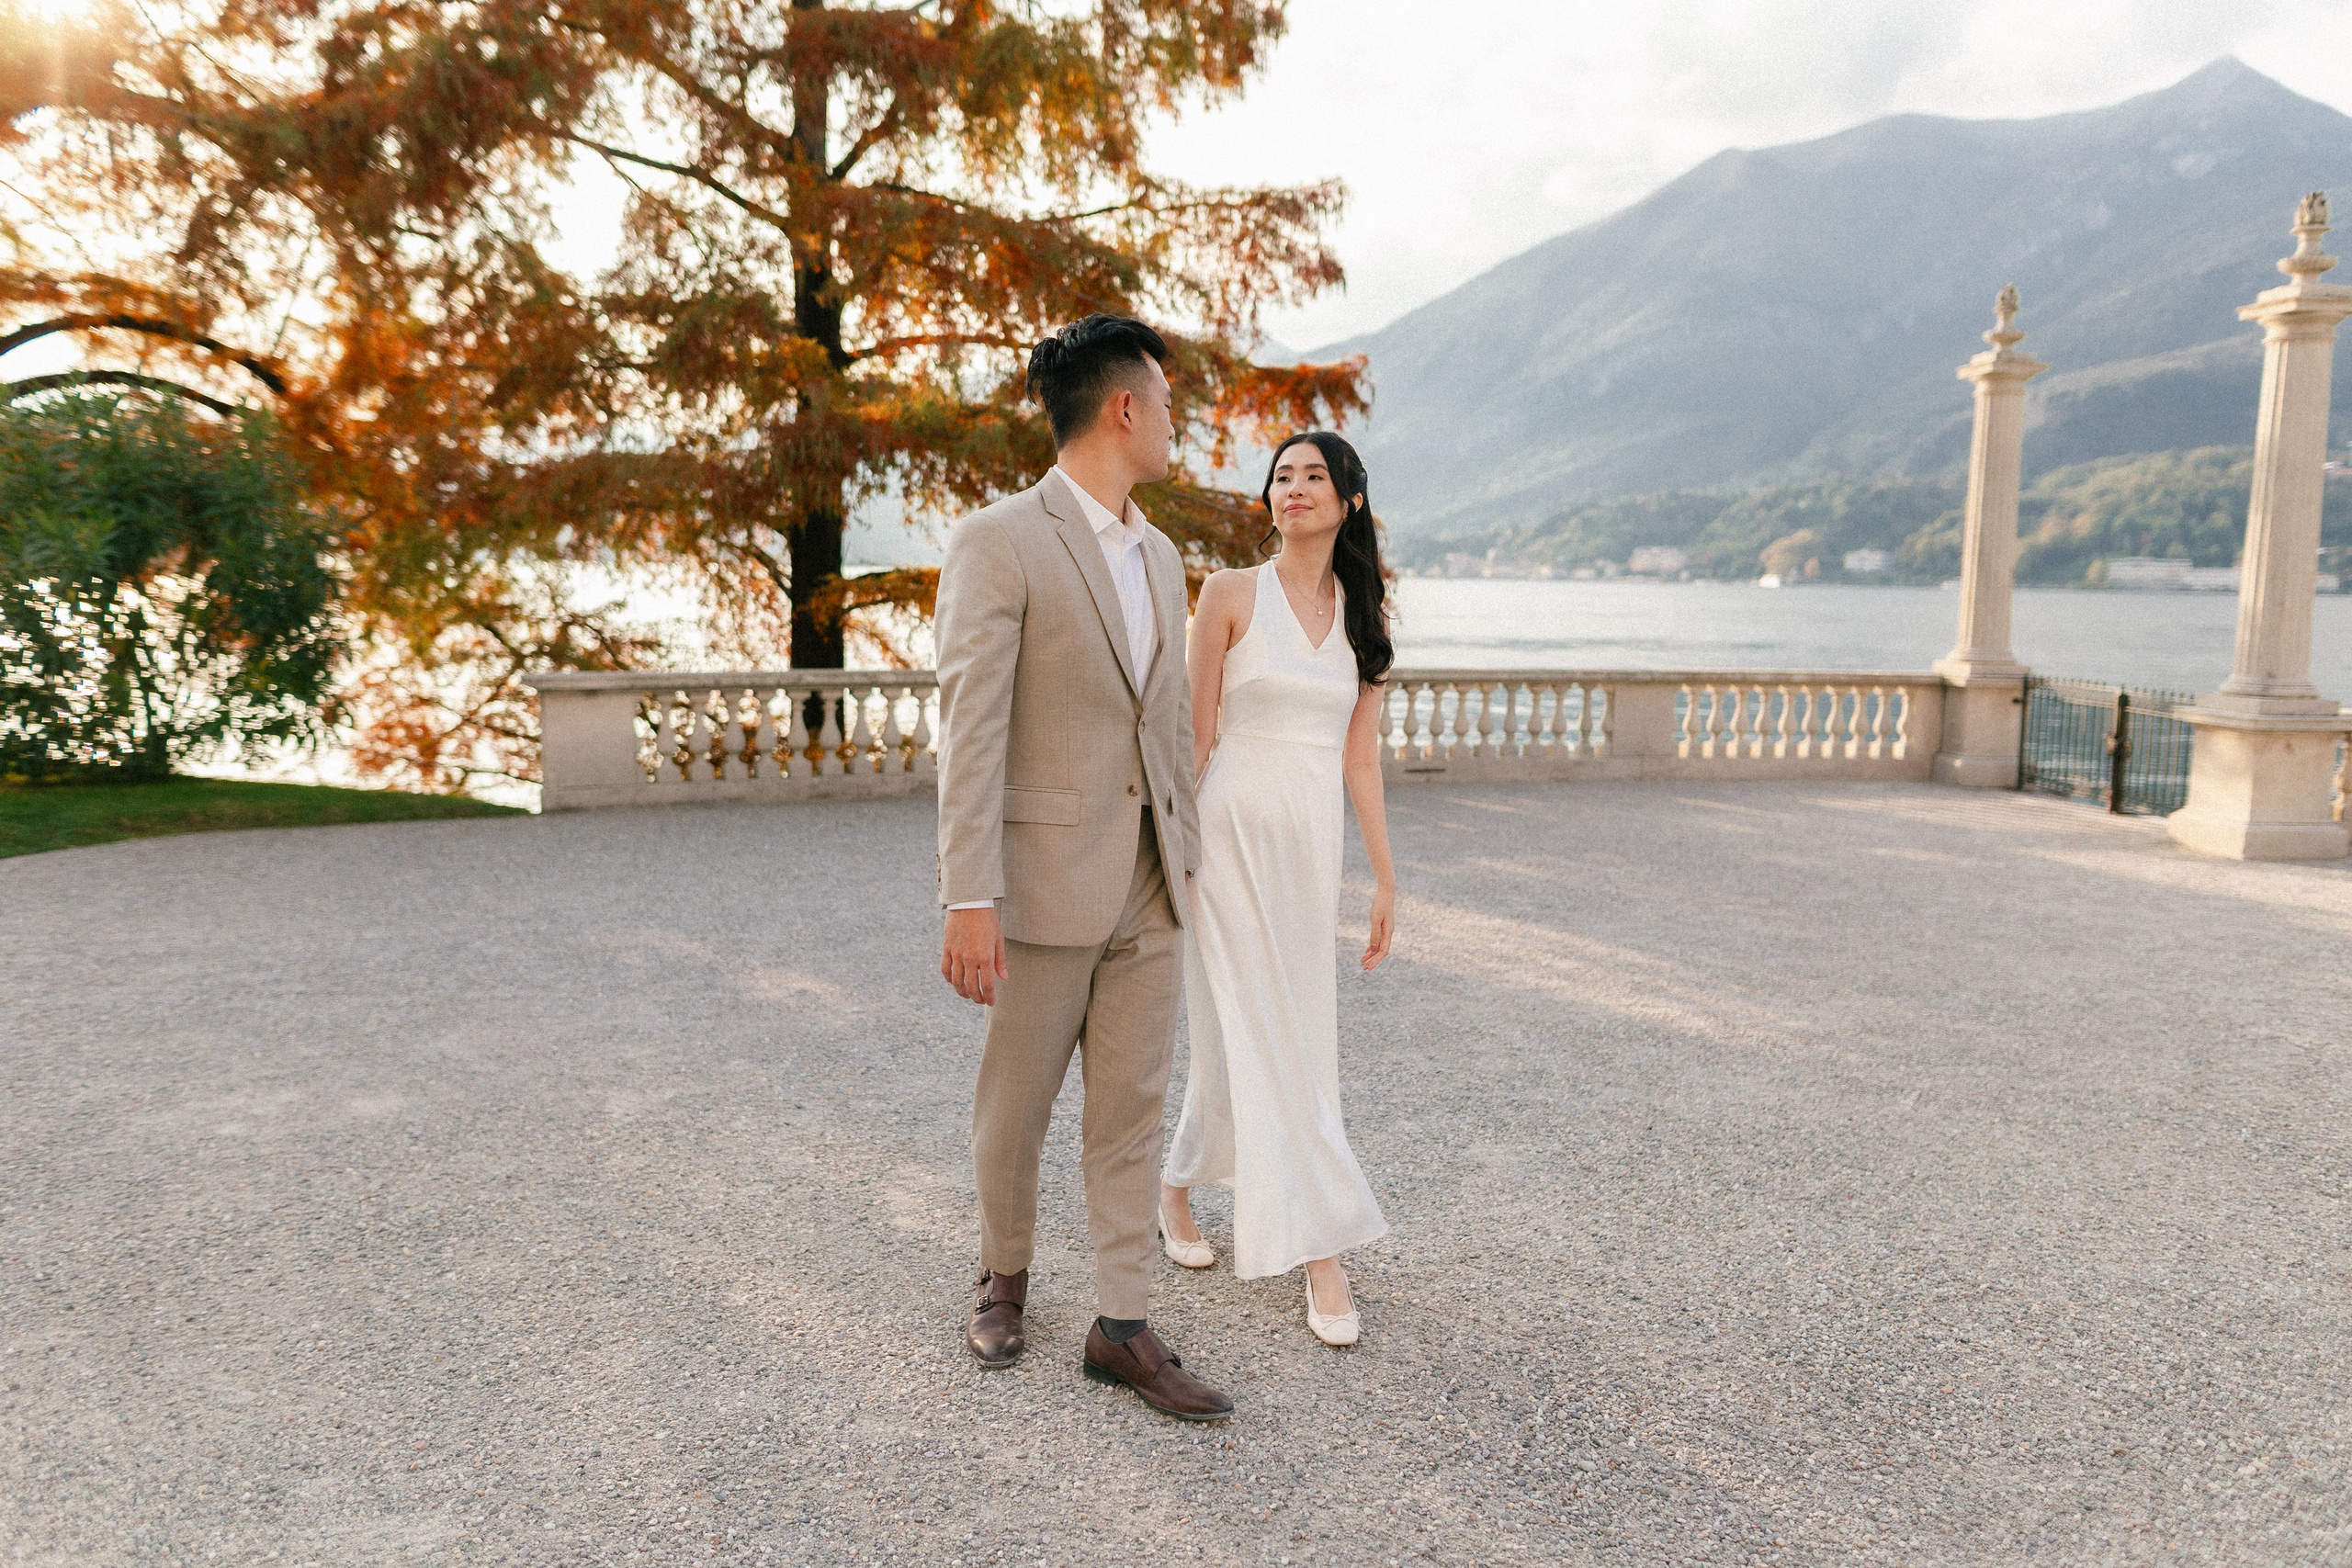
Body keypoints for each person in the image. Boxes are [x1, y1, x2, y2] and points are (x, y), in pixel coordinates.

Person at [933, 312, 1234, 1421]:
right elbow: (970, 730)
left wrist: (1187, 858)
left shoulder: (1159, 553)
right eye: (1163, 398)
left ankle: (1121, 1322)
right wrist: (970, 894)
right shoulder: (999, 540)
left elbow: (1160, 726)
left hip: (1150, 879)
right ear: (1123, 407)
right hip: (1044, 880)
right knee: (1014, 1104)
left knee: (1131, 1106)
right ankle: (1003, 1274)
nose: (1171, 419)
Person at [1159, 429, 1397, 1348]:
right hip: (1224, 842)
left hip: (1309, 850)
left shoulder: (1366, 615)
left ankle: (1173, 1190)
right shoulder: (1226, 594)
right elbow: (1194, 736)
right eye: (1281, 476)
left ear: (1347, 502)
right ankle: (1321, 1253)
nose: (1293, 488)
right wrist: (1171, 849)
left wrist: (1384, 878)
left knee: (1269, 1031)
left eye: (1313, 477)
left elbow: (1362, 760)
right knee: (1270, 1040)